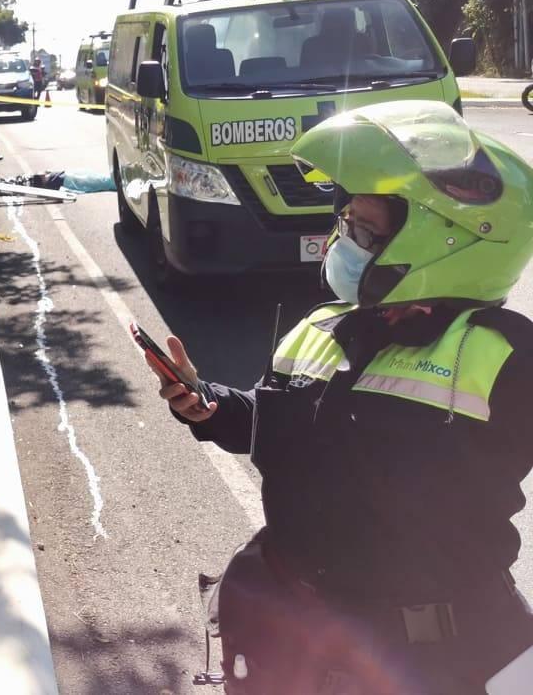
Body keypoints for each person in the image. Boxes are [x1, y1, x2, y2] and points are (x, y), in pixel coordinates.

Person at [145, 101, 533, 694]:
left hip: (432, 657)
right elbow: (275, 421)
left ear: (445, 241)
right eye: (344, 222)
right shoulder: (322, 327)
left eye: (363, 231)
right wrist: (209, 404)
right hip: (303, 638)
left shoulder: (506, 356)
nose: (341, 241)